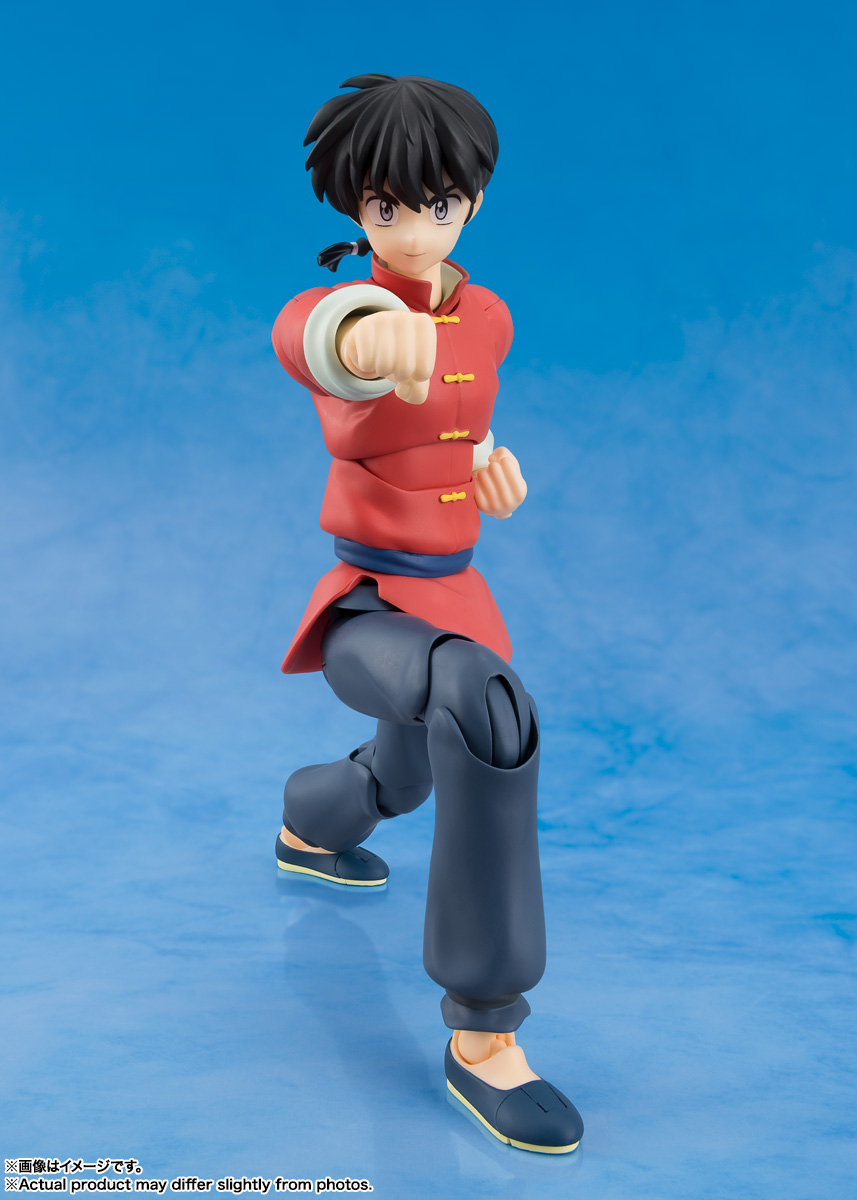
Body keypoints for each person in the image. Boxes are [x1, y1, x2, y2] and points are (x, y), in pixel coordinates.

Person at [271, 73, 583, 1154]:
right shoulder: (339, 308)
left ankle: (310, 823)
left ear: (473, 202)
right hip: (365, 607)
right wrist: (367, 338)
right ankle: (485, 1034)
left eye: (438, 205)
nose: (411, 230)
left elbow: (457, 418)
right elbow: (319, 340)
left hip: (450, 591)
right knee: (487, 710)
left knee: (398, 777)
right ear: (355, 209)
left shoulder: (486, 317)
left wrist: (487, 461)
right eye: (385, 207)